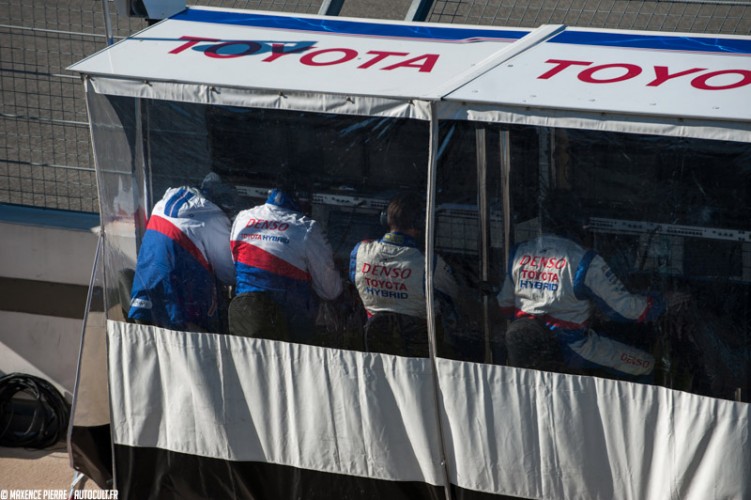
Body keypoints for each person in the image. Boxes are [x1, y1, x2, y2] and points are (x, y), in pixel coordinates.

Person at [497, 216, 688, 380]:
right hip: (572, 347)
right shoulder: (584, 260)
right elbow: (626, 309)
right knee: (646, 364)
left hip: (526, 347)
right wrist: (663, 301)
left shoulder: (519, 252)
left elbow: (504, 306)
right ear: (581, 228)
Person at [349, 192, 459, 357]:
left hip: (375, 351)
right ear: (420, 224)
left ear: (385, 219)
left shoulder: (360, 251)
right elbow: (453, 295)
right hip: (420, 356)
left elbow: (353, 281)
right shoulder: (430, 263)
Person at [229, 185, 342, 342]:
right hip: (289, 337)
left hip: (245, 329)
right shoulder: (307, 229)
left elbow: (233, 267)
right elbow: (331, 291)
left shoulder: (242, 218)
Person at [128, 173, 237, 333]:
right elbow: (228, 273)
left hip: (143, 300)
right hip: (179, 313)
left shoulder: (163, 202)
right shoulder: (213, 216)